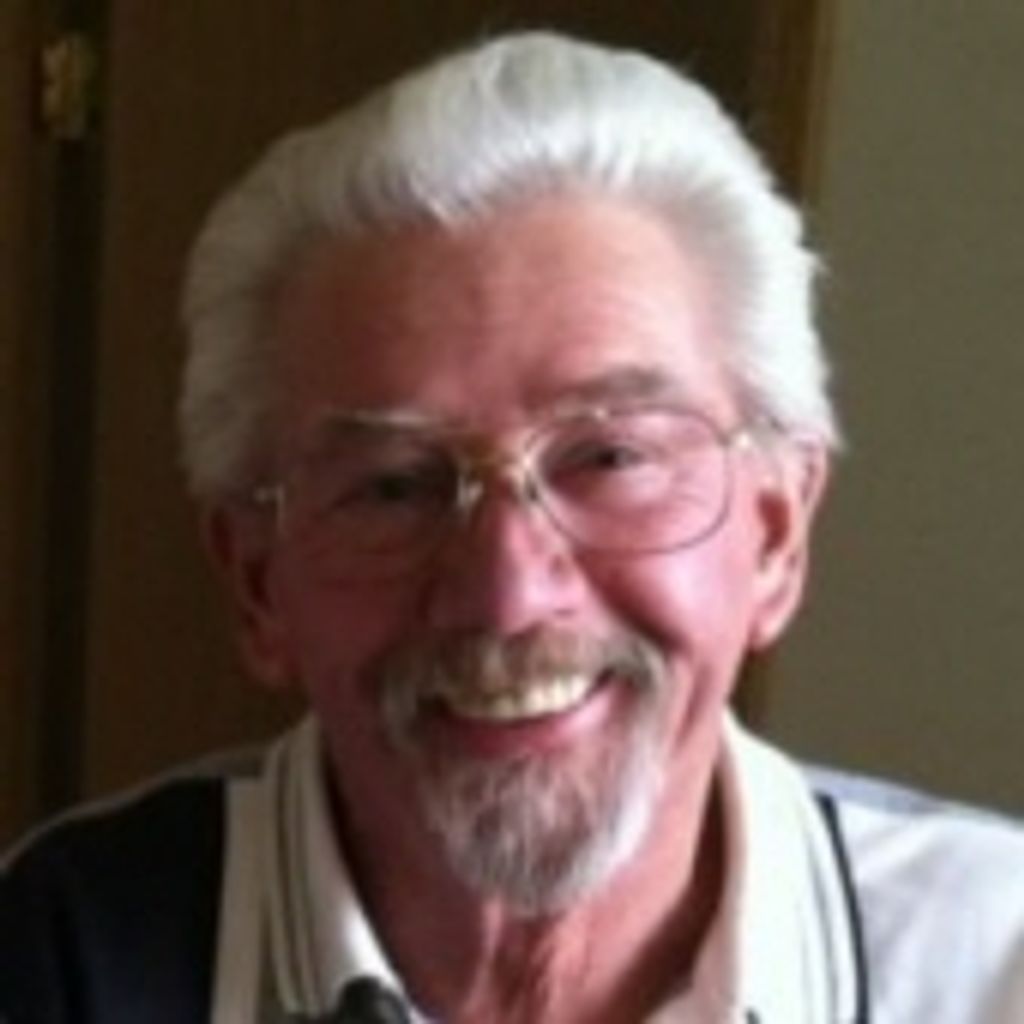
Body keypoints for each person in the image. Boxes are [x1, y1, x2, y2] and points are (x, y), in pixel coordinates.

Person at [2, 30, 1022, 1024]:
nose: (507, 592)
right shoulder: (57, 954)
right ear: (256, 582)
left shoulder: (995, 962)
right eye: (393, 486)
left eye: (610, 457)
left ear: (775, 534)